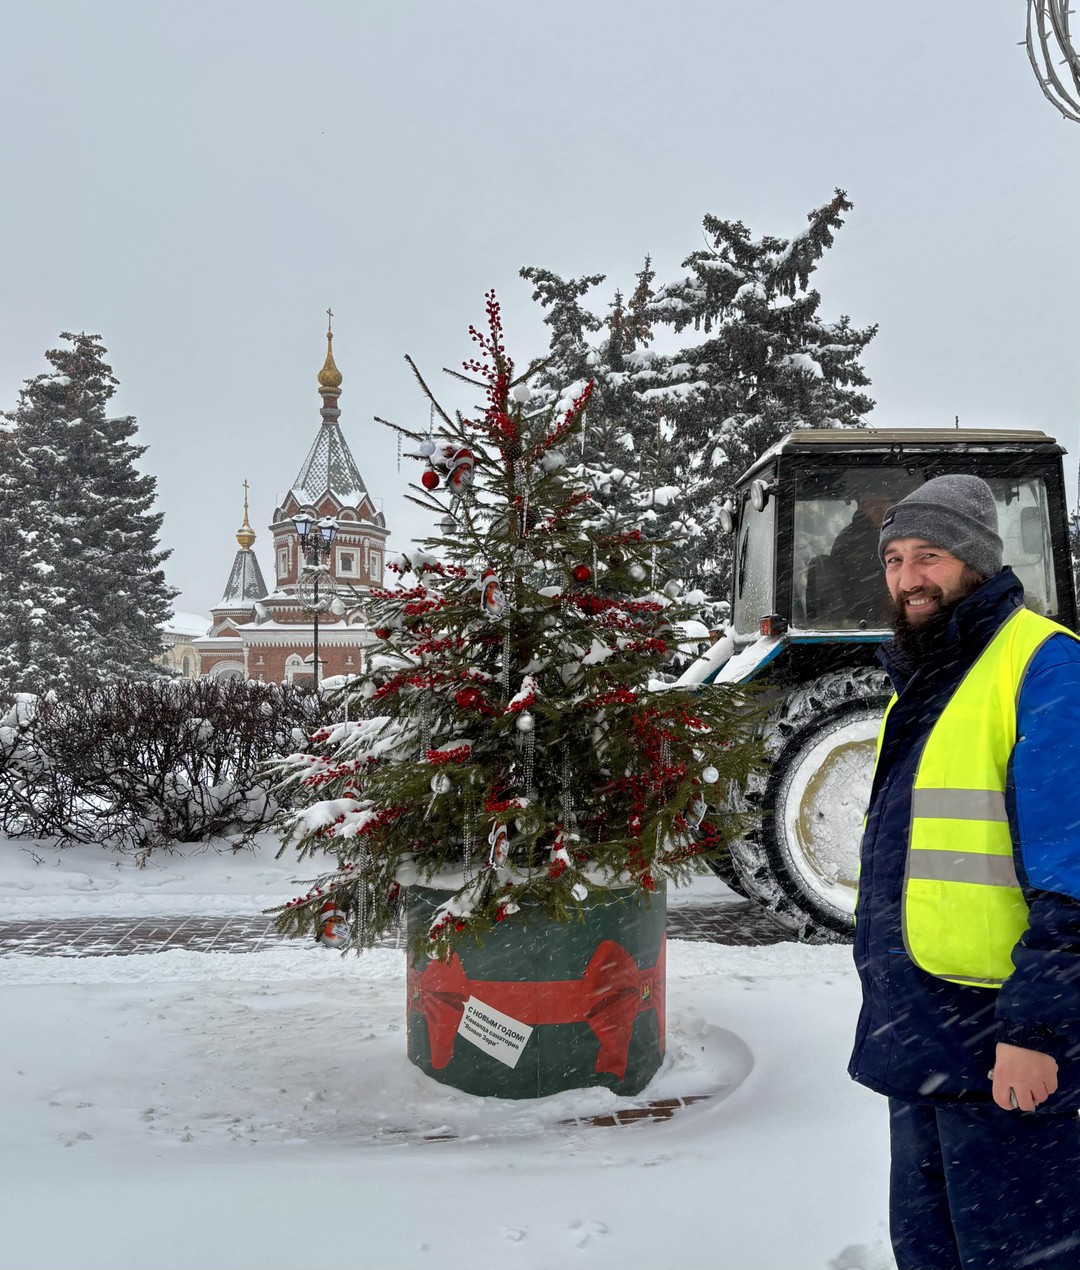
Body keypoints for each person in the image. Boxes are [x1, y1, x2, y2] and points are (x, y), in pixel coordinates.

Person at [849, 473, 1080, 1270]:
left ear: (977, 562)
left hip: (1003, 1041)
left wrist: (1036, 1031)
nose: (908, 579)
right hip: (923, 1032)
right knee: (932, 1249)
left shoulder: (1044, 670)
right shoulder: (924, 679)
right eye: (895, 560)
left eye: (931, 557)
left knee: (1017, 1252)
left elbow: (1074, 876)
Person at [827, 491, 895, 626]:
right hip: (867, 618)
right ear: (864, 506)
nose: (885, 509)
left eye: (888, 504)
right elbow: (870, 583)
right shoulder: (857, 540)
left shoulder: (882, 534)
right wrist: (887, 607)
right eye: (880, 504)